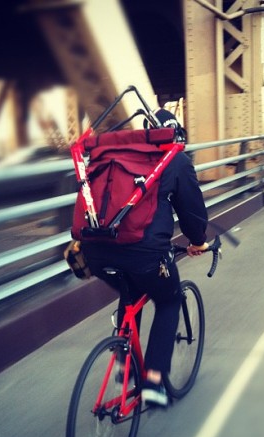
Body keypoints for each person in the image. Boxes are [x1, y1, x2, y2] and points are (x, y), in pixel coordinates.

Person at [79, 109, 209, 408]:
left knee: (131, 290)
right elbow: (191, 212)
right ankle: (152, 381)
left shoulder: (114, 157)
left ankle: (124, 363)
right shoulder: (175, 159)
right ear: (177, 135)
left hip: (96, 250)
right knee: (168, 300)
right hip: (146, 254)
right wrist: (198, 240)